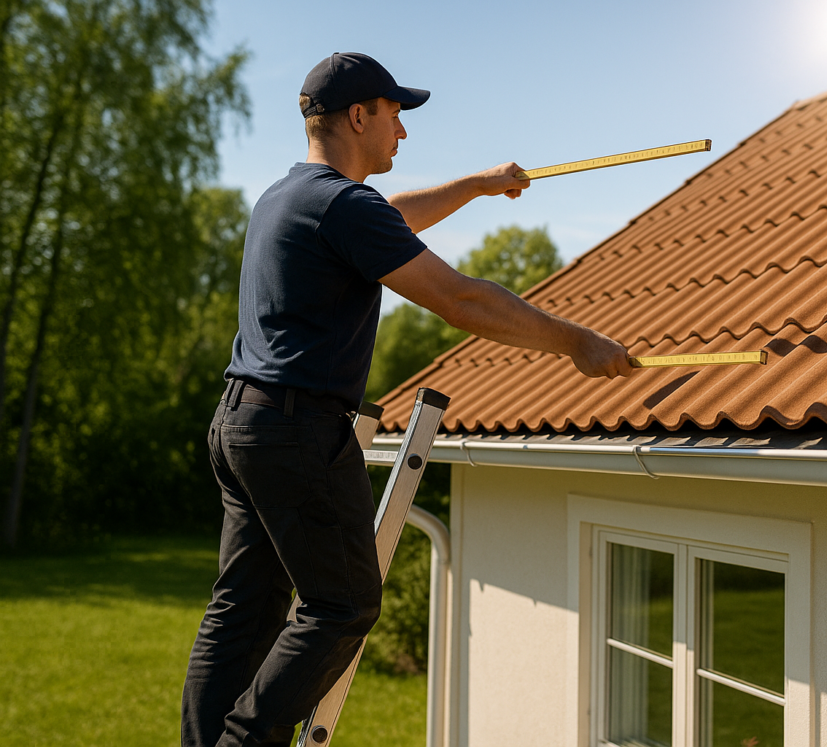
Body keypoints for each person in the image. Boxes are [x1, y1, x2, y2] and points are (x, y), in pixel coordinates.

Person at [180, 52, 632, 747]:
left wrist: (479, 186)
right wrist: (575, 342)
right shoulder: (342, 205)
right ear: (359, 116)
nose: (403, 132)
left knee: (244, 608)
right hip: (299, 433)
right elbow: (461, 298)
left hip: (243, 424)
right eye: (395, 114)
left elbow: (393, 216)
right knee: (343, 603)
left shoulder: (288, 196)